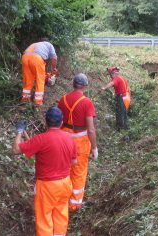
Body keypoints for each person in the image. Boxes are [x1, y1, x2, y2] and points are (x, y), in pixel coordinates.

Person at [12, 107, 77, 236]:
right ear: (62, 121)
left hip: (47, 187)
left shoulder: (41, 139)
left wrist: (19, 132)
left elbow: (15, 150)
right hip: (65, 184)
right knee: (61, 215)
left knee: (44, 219)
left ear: (46, 121)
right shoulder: (69, 138)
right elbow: (74, 162)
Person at [57, 73, 98, 212]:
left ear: (73, 84)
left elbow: (58, 122)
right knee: (78, 172)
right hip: (79, 142)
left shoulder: (62, 99)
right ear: (85, 86)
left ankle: (62, 200)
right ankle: (74, 204)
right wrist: (94, 148)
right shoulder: (87, 102)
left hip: (62, 140)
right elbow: (91, 129)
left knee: (64, 170)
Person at [21, 38, 58, 106]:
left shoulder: (35, 44)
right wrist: (54, 68)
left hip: (24, 58)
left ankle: (25, 99)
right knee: (40, 80)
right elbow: (54, 58)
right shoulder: (49, 45)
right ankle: (38, 102)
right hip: (36, 59)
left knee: (28, 79)